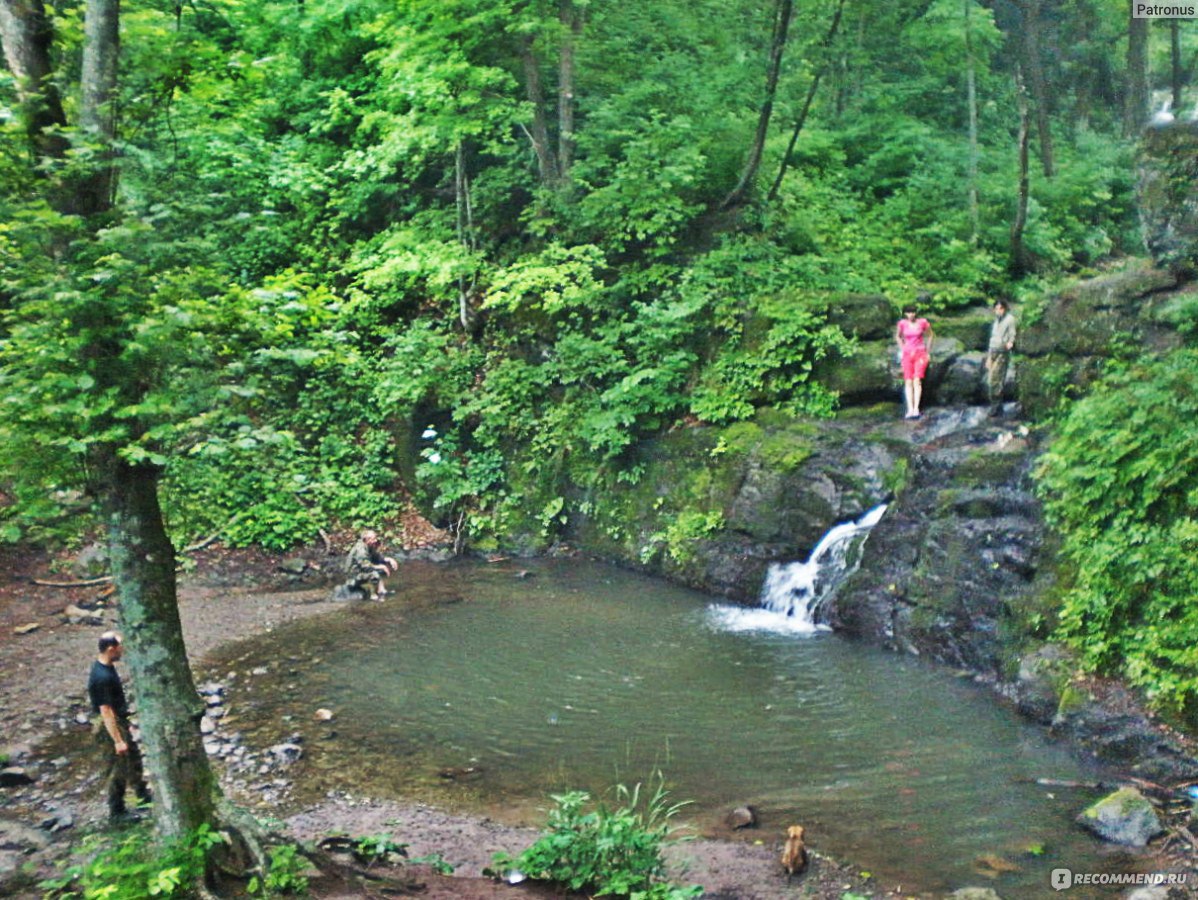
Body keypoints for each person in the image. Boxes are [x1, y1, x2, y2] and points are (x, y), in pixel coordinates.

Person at [87, 632, 151, 822]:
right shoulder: (102, 677)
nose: (123, 650)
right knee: (117, 768)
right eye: (120, 647)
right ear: (110, 649)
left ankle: (143, 795)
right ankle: (117, 811)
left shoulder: (107, 667)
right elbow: (105, 711)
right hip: (110, 724)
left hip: (119, 720)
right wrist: (117, 740)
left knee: (134, 758)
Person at [895, 301, 934, 419]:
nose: (910, 314)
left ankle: (916, 408)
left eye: (912, 312)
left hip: (920, 353)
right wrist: (902, 348)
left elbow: (930, 335)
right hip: (907, 354)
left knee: (917, 380)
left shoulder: (922, 323)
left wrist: (927, 351)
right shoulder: (902, 324)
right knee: (908, 381)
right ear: (905, 314)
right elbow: (898, 336)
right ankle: (910, 408)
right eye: (908, 312)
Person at [339, 529, 398, 601]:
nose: (376, 540)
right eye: (373, 539)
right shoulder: (361, 549)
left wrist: (388, 559)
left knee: (382, 567)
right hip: (353, 575)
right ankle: (372, 595)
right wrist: (382, 567)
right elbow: (365, 566)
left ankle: (381, 590)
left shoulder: (369, 546)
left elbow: (377, 557)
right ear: (366, 540)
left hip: (361, 570)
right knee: (374, 573)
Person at [985, 299, 1017, 416]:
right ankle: (996, 404)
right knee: (990, 380)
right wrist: (989, 357)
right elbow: (992, 338)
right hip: (993, 350)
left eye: (1001, 308)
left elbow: (1012, 333)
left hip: (1002, 352)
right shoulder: (996, 321)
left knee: (996, 379)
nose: (998, 311)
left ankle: (996, 406)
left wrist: (1010, 342)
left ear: (1005, 308)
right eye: (996, 308)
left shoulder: (1010, 319)